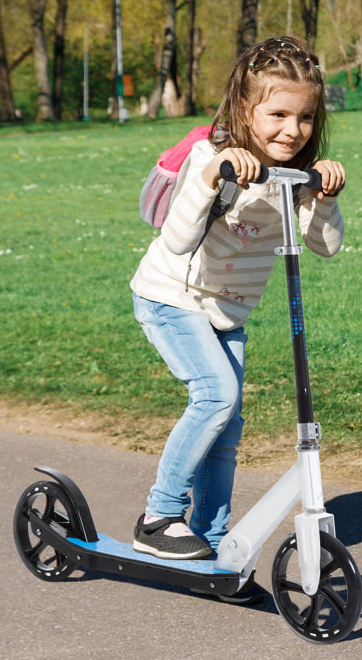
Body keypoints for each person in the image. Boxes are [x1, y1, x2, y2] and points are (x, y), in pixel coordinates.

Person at [129, 35, 345, 600]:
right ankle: (158, 519)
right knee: (215, 396)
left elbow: (326, 246)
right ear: (244, 111)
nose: (291, 130)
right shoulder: (212, 159)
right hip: (170, 298)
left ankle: (209, 537)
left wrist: (323, 193)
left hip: (225, 312)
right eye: (277, 114)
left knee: (228, 425)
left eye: (304, 118)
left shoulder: (293, 176)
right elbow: (174, 243)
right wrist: (210, 179)